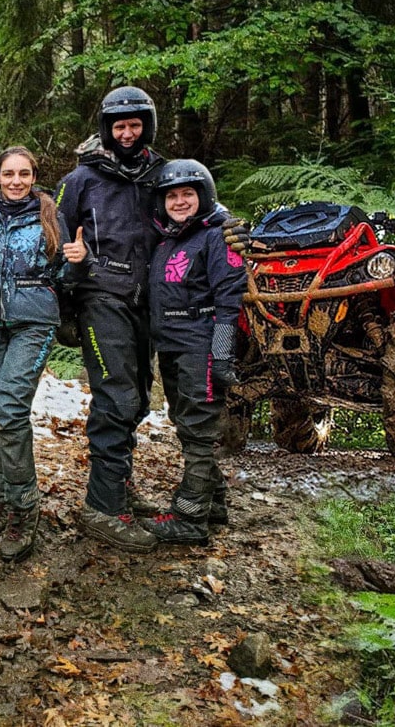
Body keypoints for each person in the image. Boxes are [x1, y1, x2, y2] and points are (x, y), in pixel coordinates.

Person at [56, 85, 170, 552]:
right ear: (107, 129)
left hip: (149, 298)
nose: (127, 133)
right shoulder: (81, 179)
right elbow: (57, 235)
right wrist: (66, 295)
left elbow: (193, 210)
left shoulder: (160, 174)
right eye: (119, 126)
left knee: (139, 397)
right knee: (116, 398)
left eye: (135, 124)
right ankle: (102, 506)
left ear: (147, 125)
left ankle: (118, 484)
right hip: (100, 294)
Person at [0, 146, 86, 560]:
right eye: (8, 173)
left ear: (34, 176)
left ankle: (23, 508)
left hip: (35, 319)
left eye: (24, 173)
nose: (16, 180)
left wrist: (77, 261)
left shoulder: (50, 214)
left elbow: (68, 274)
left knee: (8, 406)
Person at [143, 160, 244, 543]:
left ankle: (190, 518)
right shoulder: (169, 237)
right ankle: (214, 502)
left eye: (188, 194)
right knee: (186, 422)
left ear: (204, 195)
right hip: (171, 343)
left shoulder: (218, 235)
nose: (180, 201)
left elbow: (228, 302)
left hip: (200, 342)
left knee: (200, 430)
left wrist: (220, 355)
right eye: (172, 195)